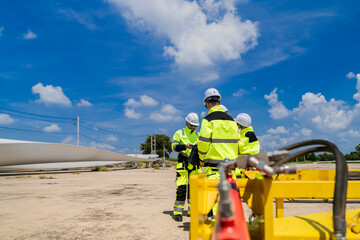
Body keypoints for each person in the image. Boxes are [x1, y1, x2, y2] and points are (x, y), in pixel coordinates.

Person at [198, 88, 239, 219]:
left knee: (216, 195)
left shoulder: (208, 120)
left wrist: (201, 158)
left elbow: (203, 142)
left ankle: (218, 226)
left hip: (214, 164)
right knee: (230, 195)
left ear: (207, 104)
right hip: (231, 164)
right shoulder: (232, 120)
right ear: (220, 102)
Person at [172, 112, 200, 222]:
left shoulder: (198, 135)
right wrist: (184, 146)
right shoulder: (179, 133)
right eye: (191, 125)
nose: (193, 127)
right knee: (181, 188)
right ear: (187, 122)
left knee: (193, 189)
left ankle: (192, 211)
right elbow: (174, 147)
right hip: (182, 162)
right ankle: (178, 212)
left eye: (195, 126)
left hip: (194, 163)